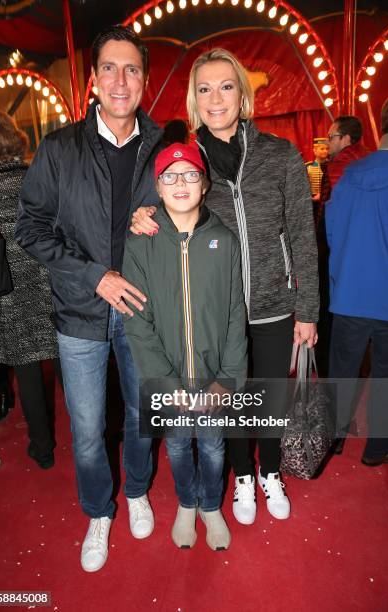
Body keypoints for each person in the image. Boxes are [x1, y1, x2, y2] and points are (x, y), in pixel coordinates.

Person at [130, 48, 319, 526]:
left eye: (226, 86)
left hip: (275, 303)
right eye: (204, 88)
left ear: (243, 94)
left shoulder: (280, 156)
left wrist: (308, 309)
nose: (216, 98)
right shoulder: (188, 162)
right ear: (194, 100)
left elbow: (302, 235)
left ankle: (269, 471)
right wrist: (143, 214)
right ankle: (240, 477)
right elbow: (160, 202)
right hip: (215, 312)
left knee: (269, 398)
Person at [15, 25, 162, 573]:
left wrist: (164, 219)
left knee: (145, 414)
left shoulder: (162, 147)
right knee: (85, 428)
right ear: (93, 81)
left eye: (131, 69)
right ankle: (99, 511)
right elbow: (30, 228)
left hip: (145, 311)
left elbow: (190, 211)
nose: (120, 80)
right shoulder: (59, 149)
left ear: (144, 80)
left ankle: (139, 491)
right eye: (109, 68)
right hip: (79, 311)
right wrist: (94, 276)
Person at [123, 143, 247, 550]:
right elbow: (137, 321)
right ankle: (187, 504)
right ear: (157, 187)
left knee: (212, 446)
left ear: (205, 184)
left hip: (212, 375)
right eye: (170, 176)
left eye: (191, 174)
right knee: (176, 443)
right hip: (168, 376)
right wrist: (164, 381)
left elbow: (234, 316)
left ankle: (211, 504)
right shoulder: (141, 243)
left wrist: (227, 380)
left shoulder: (223, 241)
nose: (181, 183)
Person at [0, 110, 60, 469]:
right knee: (69, 365)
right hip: (51, 283)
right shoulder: (38, 179)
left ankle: (42, 449)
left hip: (8, 291)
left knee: (27, 372)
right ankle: (98, 431)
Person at [326, 97, 388, 466]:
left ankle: (334, 437)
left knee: (342, 370)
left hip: (350, 292)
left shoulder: (349, 174)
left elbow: (333, 230)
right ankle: (378, 447)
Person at [315, 117, 368, 381]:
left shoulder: (343, 166)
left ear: (346, 138)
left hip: (338, 254)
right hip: (363, 257)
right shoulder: (362, 159)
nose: (327, 142)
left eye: (331, 137)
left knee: (331, 314)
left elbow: (334, 214)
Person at [305, 137, 329, 219]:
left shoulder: (332, 166)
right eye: (322, 149)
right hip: (312, 201)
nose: (325, 151)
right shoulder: (308, 166)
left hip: (327, 200)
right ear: (314, 150)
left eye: (327, 148)